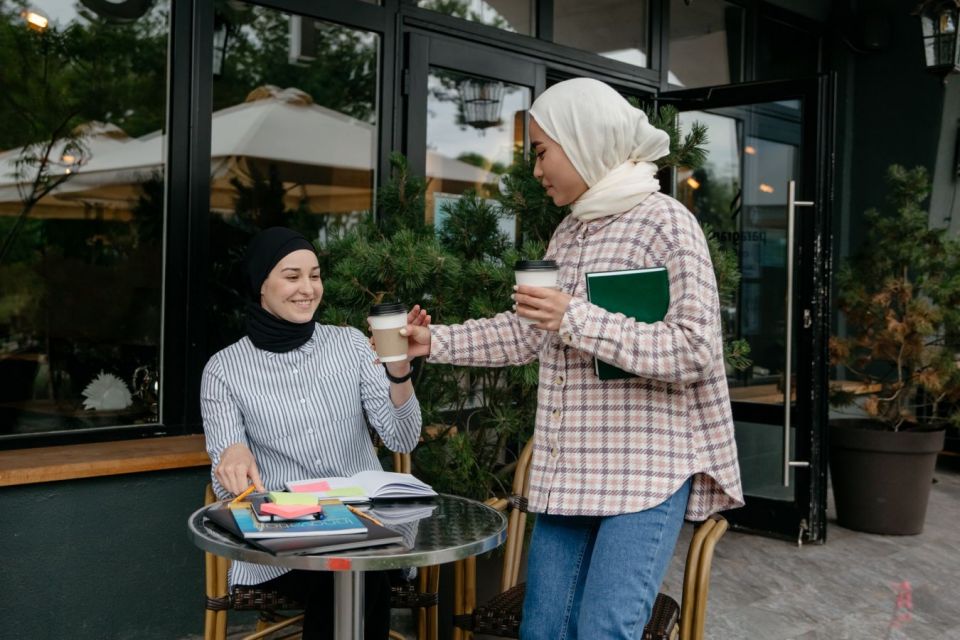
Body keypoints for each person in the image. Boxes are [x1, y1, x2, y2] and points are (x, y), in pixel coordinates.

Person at [402, 78, 743, 639]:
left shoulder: (667, 222)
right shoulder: (570, 232)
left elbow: (697, 349)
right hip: (574, 468)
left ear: (584, 140)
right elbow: (527, 334)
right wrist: (433, 342)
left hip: (645, 472)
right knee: (542, 629)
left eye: (541, 152)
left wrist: (576, 317)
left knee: (604, 629)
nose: (537, 170)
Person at [201, 226, 425, 639]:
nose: (308, 288)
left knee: (355, 567)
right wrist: (232, 454)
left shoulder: (352, 345)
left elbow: (402, 438)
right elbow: (228, 475)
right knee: (345, 573)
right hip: (287, 541)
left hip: (367, 525)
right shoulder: (224, 369)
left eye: (315, 275)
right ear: (261, 285)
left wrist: (398, 371)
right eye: (292, 276)